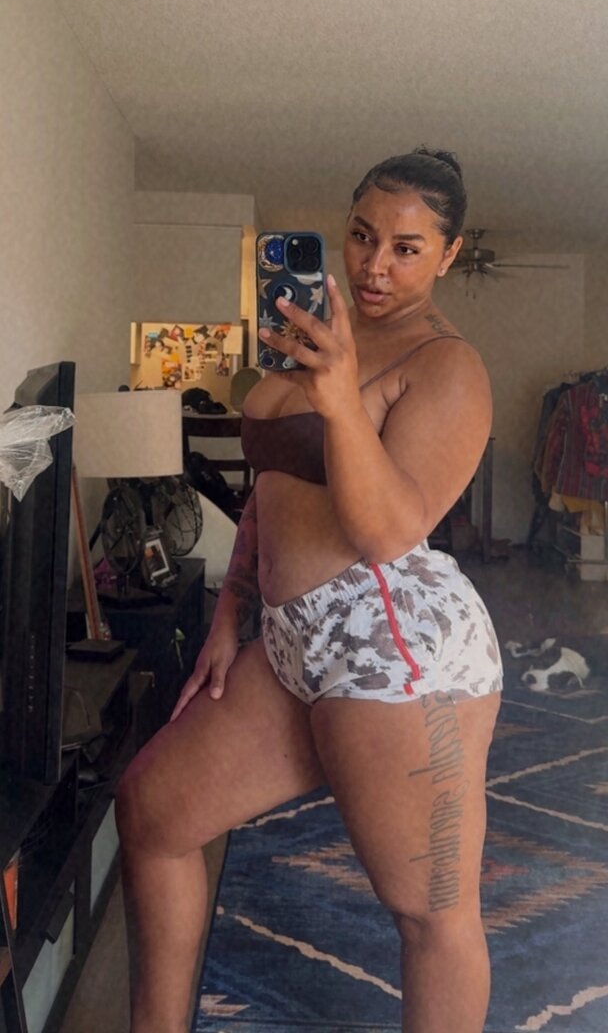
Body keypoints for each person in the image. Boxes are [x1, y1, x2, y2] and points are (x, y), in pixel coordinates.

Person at [116, 146, 503, 1033]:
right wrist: (230, 612)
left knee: (432, 914)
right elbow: (272, 490)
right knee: (153, 812)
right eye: (363, 235)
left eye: (407, 248)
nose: (375, 265)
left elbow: (388, 529)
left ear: (448, 254)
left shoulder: (448, 366)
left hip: (392, 648)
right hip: (292, 636)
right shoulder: (317, 334)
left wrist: (337, 400)